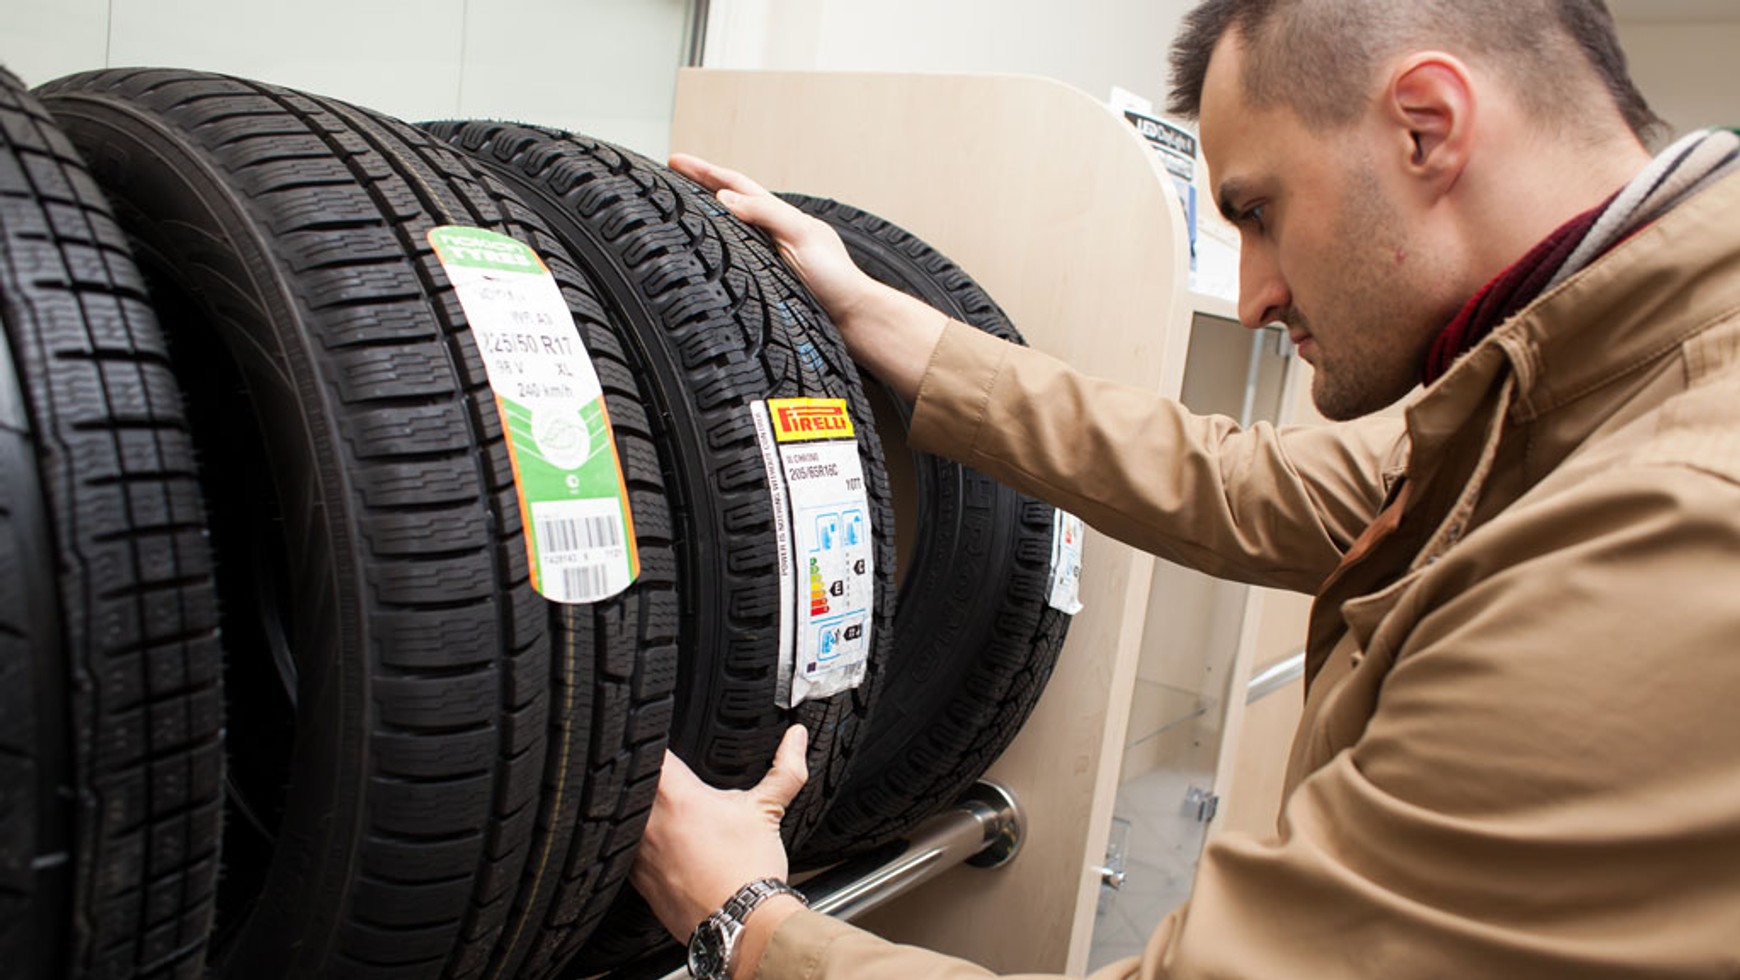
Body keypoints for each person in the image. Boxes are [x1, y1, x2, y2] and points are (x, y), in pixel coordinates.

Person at [634, 0, 1740, 976]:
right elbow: (1247, 483)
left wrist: (747, 922)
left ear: (1426, 127)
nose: (1254, 296)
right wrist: (876, 313)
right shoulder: (1581, 388)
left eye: (1259, 211)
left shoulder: (1661, 530)